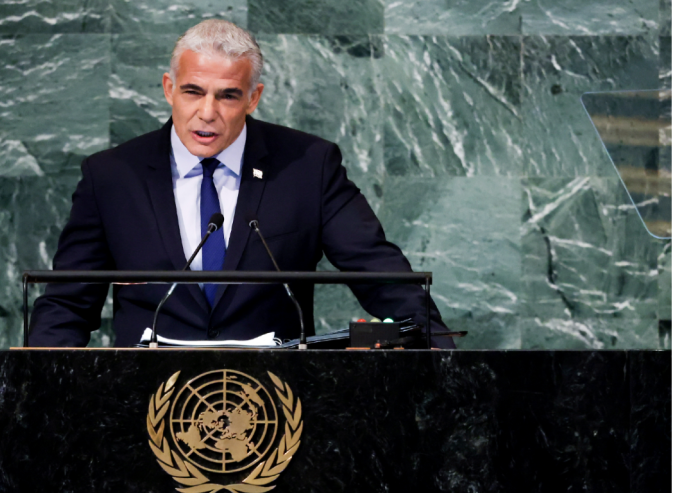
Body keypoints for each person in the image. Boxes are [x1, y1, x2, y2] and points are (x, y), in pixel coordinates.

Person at [29, 19, 454, 348]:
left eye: (228, 95)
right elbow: (67, 305)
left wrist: (442, 353)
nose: (207, 111)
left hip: (276, 405)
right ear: (168, 89)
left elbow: (379, 273)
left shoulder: (308, 166)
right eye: (193, 92)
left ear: (253, 98)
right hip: (146, 401)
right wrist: (34, 389)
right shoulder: (112, 176)